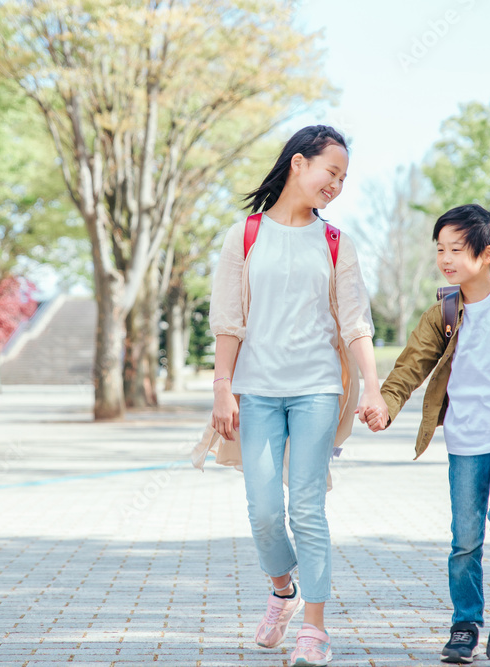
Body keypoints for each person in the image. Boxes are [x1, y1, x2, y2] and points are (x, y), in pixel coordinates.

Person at [193, 125, 387, 667]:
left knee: (306, 508)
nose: (337, 185)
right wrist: (222, 388)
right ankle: (283, 590)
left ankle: (314, 629)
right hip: (255, 390)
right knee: (262, 510)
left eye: (344, 178)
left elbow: (355, 322)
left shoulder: (336, 242)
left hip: (317, 389)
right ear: (299, 163)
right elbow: (228, 319)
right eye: (332, 172)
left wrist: (373, 387)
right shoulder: (245, 234)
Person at [360, 204, 490, 663]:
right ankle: (465, 623)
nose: (446, 258)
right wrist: (384, 405)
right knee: (465, 538)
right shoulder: (443, 313)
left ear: (487, 253)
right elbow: (410, 366)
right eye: (440, 249)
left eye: (456, 249)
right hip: (465, 440)